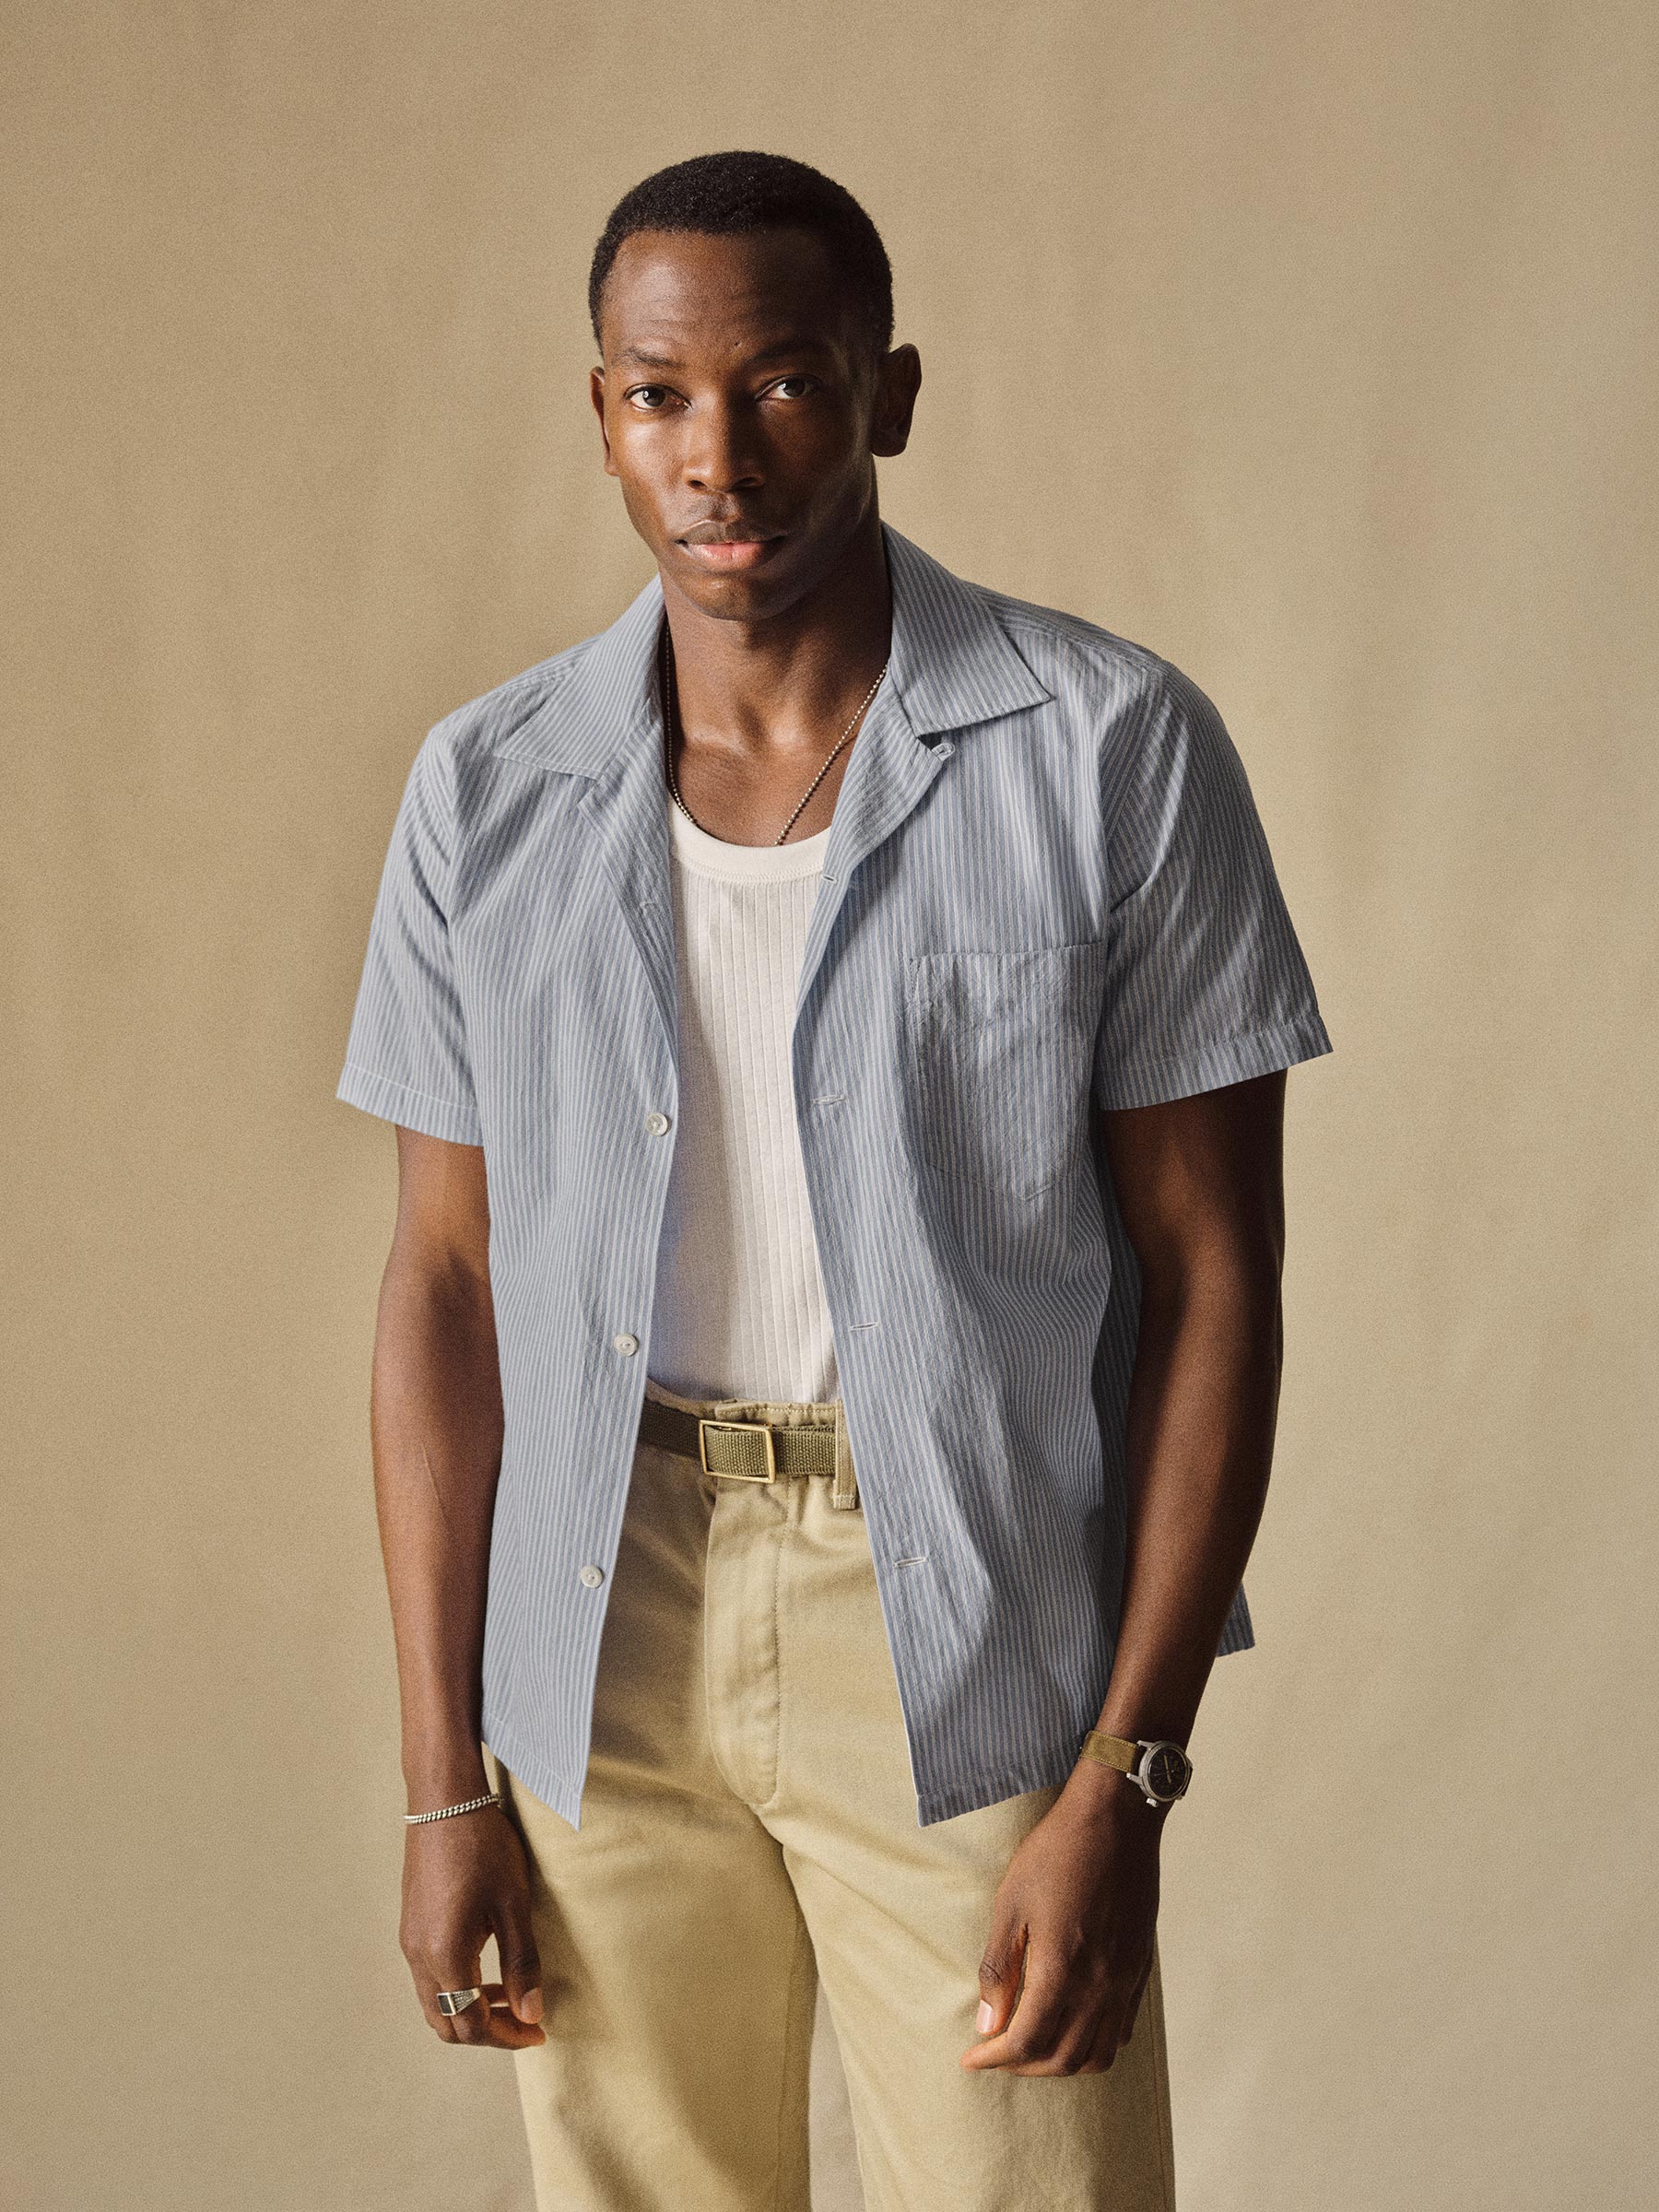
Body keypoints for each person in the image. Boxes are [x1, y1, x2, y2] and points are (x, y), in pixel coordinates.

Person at [335, 148, 1333, 2212]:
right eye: (658, 396)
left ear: (890, 394)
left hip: (962, 1599)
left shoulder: (1111, 749)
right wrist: (443, 1783)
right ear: (602, 415)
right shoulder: (485, 790)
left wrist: (1128, 1775)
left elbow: (1214, 1284)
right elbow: (445, 1284)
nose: (719, 456)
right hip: (602, 1616)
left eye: (783, 383)